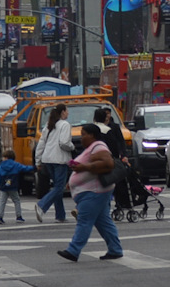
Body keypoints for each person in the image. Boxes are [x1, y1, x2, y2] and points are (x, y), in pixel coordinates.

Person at [56, 125, 124, 262]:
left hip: (94, 192)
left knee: (84, 221)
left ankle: (73, 250)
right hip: (95, 191)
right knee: (104, 222)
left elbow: (108, 163)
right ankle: (115, 249)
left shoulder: (98, 147)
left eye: (84, 134)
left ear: (92, 135)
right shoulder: (93, 148)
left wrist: (83, 167)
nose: (81, 137)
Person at [34, 104, 75, 223]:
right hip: (60, 159)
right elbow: (64, 143)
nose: (68, 113)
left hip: (47, 159)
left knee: (57, 186)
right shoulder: (65, 125)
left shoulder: (48, 125)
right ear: (62, 112)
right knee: (59, 187)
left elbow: (41, 144)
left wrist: (38, 160)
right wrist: (72, 147)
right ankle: (42, 205)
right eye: (67, 111)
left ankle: (60, 215)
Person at [0, 148, 26, 223]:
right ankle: (19, 216)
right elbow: (22, 170)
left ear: (5, 158)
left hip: (4, 186)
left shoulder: (1, 166)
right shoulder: (15, 165)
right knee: (16, 200)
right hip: (13, 186)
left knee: (2, 201)